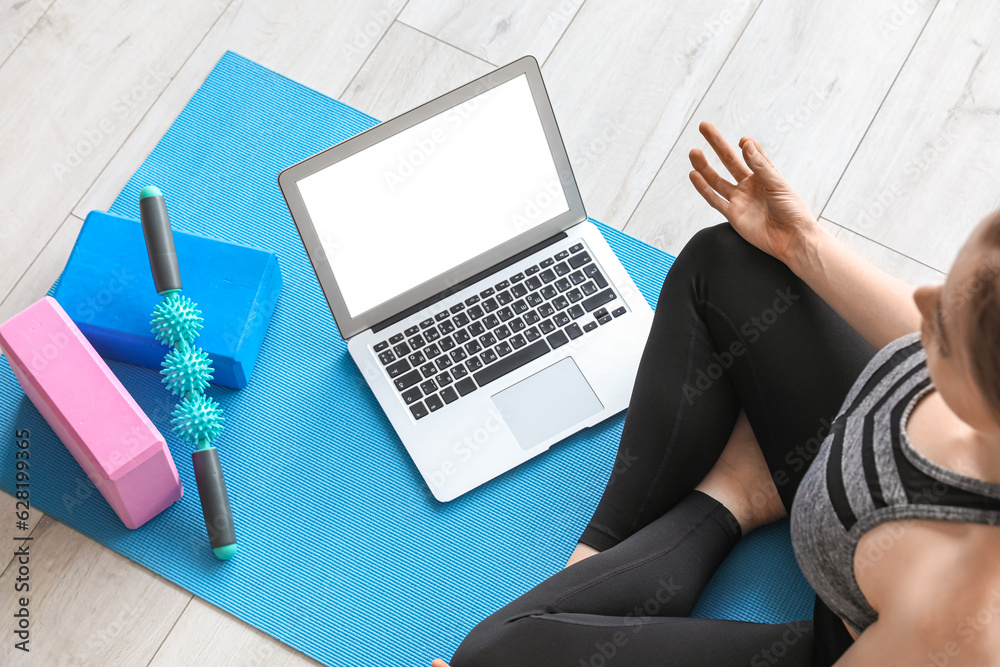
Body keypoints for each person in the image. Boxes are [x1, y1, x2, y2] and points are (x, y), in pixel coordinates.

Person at [432, 121, 1000, 666]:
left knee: (487, 657)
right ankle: (602, 562)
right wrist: (800, 241)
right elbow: (941, 333)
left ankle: (732, 498)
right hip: (871, 468)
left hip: (845, 642)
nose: (926, 297)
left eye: (950, 324)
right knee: (726, 260)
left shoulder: (958, 609)